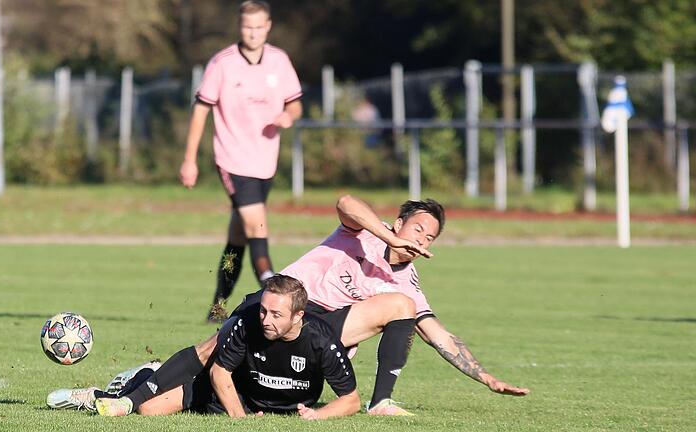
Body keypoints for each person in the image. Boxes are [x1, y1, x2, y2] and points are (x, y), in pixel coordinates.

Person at [86, 194, 530, 417]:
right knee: (207, 355)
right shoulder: (362, 234)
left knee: (401, 306)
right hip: (283, 301)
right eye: (416, 229)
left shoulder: (408, 283)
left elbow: (439, 335)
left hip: (317, 328)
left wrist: (487, 378)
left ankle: (381, 403)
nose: (420, 240)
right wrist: (386, 235)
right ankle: (135, 391)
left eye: (429, 237)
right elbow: (345, 202)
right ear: (399, 223)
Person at [47, 275, 360, 420]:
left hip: (280, 405)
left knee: (149, 406)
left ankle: (144, 378)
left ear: (298, 316)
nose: (266, 319)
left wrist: (318, 417)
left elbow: (351, 400)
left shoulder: (322, 341)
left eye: (276, 314)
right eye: (263, 310)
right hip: (239, 393)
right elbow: (221, 371)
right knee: (148, 409)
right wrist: (239, 417)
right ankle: (131, 385)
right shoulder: (250, 321)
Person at [178, 0, 303, 321]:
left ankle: (218, 306)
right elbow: (201, 111)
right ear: (239, 27)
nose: (253, 33)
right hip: (232, 159)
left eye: (259, 27)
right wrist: (189, 159)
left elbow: (296, 105)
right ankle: (278, 295)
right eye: (248, 27)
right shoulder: (222, 64)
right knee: (257, 225)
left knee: (238, 237)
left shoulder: (279, 61)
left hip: (265, 162)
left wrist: (288, 116)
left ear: (269, 26)